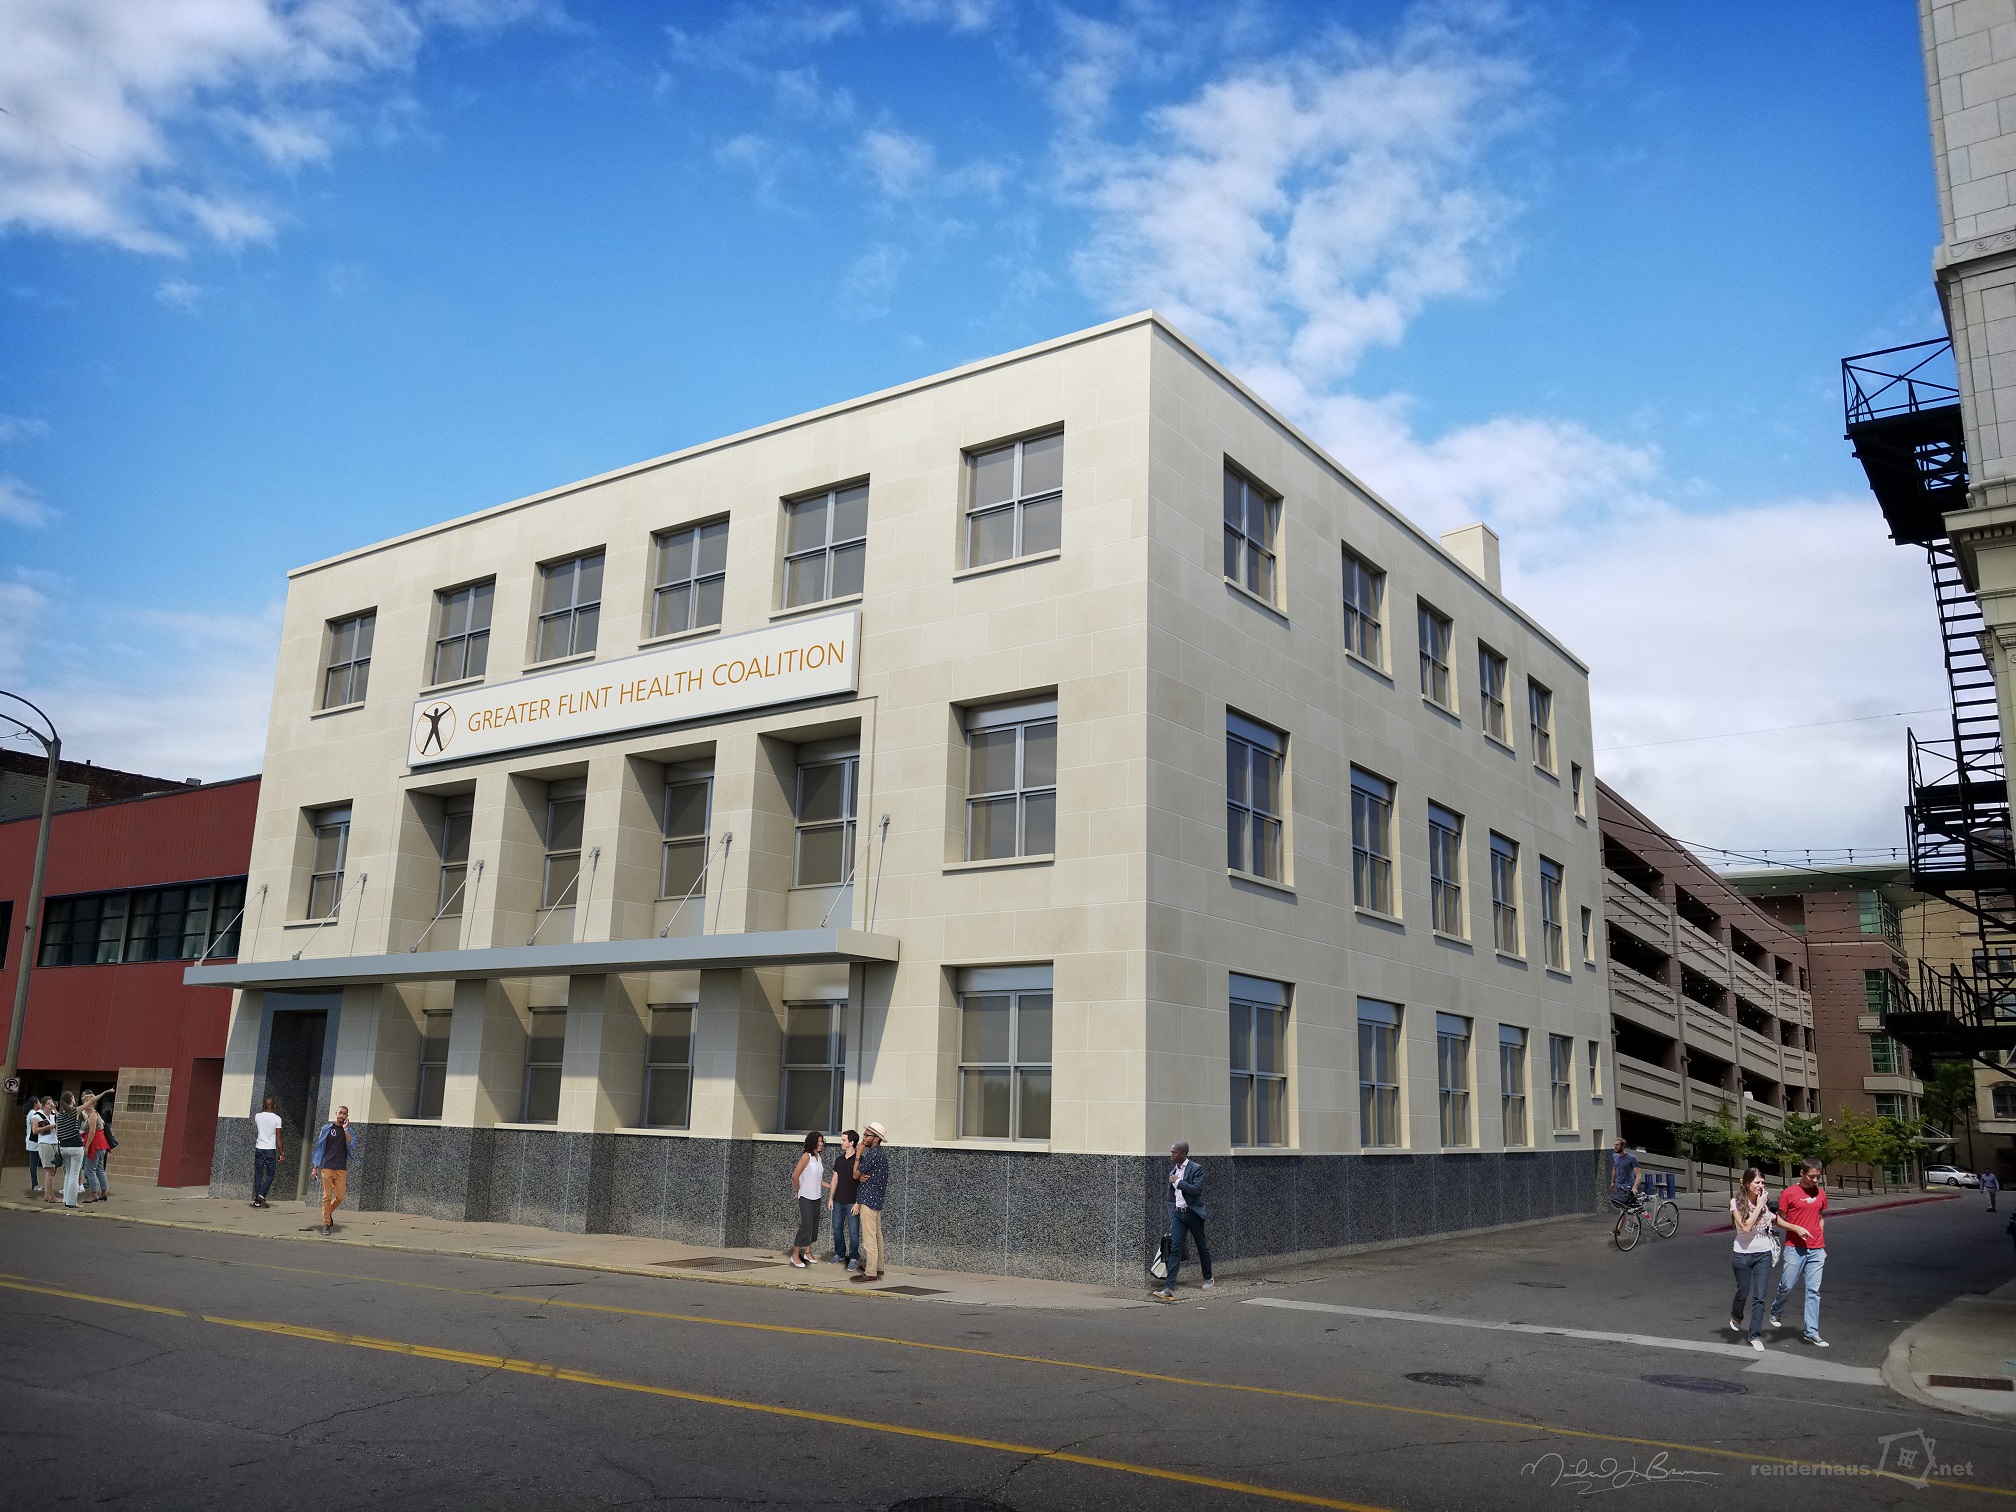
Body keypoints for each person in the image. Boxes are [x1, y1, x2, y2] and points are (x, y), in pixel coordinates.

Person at [1771, 1158, 1830, 1348]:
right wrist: (1796, 1228)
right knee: (1787, 1285)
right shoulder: (1789, 1193)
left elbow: (1820, 1217)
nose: (1815, 1180)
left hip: (1816, 1249)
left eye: (1818, 1176)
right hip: (1795, 1248)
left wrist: (1821, 1243)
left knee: (1813, 1291)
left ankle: (1811, 1332)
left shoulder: (1821, 1193)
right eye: (1811, 1176)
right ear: (1802, 1173)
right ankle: (1776, 1310)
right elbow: (1778, 1220)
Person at [1727, 1167, 1782, 1351]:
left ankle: (1755, 1335)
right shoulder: (1735, 1203)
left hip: (1763, 1254)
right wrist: (1759, 1206)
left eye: (1763, 1182)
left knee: (1760, 1297)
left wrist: (1797, 1228)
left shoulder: (1764, 1203)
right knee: (1743, 1292)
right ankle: (1736, 1315)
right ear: (1747, 1183)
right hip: (1742, 1254)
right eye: (1757, 1182)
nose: (1761, 1186)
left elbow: (1775, 1220)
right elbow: (1745, 1227)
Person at [1153, 1140, 1214, 1301]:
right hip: (1178, 1215)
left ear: (1183, 1153)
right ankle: (1168, 1288)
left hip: (1193, 1214)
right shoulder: (1173, 1171)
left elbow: (1197, 1190)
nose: (1171, 1155)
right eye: (1171, 1152)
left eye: (1174, 1152)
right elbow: (1171, 1196)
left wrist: (1178, 1182)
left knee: (1202, 1247)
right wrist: (1173, 1214)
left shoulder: (1196, 1169)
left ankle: (1208, 1279)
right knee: (1175, 1250)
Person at [848, 1121, 890, 1283]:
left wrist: (858, 1153)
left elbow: (855, 1174)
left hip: (868, 1200)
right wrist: (862, 1177)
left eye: (867, 1135)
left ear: (876, 1138)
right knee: (877, 1236)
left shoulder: (873, 1154)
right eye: (864, 1135)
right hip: (876, 1200)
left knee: (869, 1239)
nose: (864, 1138)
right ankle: (878, 1267)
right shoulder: (880, 1154)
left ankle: (871, 1272)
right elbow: (862, 1176)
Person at [309, 1106, 356, 1236]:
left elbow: (352, 1144)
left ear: (347, 1116)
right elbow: (320, 1148)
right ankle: (326, 1224)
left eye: (344, 1114)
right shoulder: (327, 1129)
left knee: (340, 1197)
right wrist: (315, 1167)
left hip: (341, 1167)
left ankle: (327, 1213)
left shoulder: (349, 1131)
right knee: (327, 1196)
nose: (342, 1115)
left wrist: (345, 1129)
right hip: (327, 1166)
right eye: (340, 1113)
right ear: (336, 1113)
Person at [788, 1131, 825, 1269]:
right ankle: (795, 1254)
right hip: (805, 1196)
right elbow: (795, 1176)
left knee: (814, 1225)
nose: (821, 1144)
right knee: (807, 1224)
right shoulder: (806, 1156)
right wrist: (797, 1191)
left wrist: (831, 1185)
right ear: (812, 1142)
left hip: (817, 1195)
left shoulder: (818, 1157)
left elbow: (818, 1179)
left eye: (822, 1141)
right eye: (818, 1141)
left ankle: (808, 1252)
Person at [828, 1129, 862, 1270]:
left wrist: (858, 1203)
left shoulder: (860, 1160)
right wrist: (830, 1198)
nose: (841, 1142)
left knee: (853, 1232)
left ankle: (854, 1257)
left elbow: (863, 1184)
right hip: (838, 1201)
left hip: (852, 1203)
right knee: (837, 1230)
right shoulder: (839, 1160)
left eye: (843, 1140)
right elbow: (834, 1179)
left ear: (851, 1142)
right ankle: (840, 1254)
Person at [52, 1091, 87, 1209]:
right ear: (72, 1099)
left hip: (64, 1147)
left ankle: (66, 1199)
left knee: (68, 1174)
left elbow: (58, 1133)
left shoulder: (60, 1115)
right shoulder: (74, 1111)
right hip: (76, 1146)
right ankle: (72, 1202)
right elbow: (91, 1102)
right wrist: (105, 1092)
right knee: (74, 1175)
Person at [252, 1096, 284, 1208]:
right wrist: (281, 1153)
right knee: (270, 1174)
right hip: (270, 1149)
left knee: (258, 1174)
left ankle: (257, 1201)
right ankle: (261, 1194)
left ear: (264, 1105)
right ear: (274, 1105)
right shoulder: (277, 1119)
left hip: (259, 1147)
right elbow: (279, 1138)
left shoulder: (257, 1116)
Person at [1609, 1137, 1643, 1211]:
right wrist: (1612, 1181)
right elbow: (1614, 1168)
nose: (1615, 1147)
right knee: (1622, 1208)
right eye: (1614, 1145)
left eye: (1617, 1145)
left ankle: (1641, 1217)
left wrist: (1635, 1187)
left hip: (1629, 1186)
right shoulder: (1614, 1156)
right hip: (1619, 1186)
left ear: (1623, 1146)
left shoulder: (1632, 1158)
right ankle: (1624, 1218)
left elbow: (1638, 1174)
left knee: (1632, 1209)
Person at [25, 1096, 49, 1197]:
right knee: (34, 1163)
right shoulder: (33, 1114)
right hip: (33, 1141)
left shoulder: (34, 1112)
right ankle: (34, 1185)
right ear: (35, 1103)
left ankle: (36, 1184)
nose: (40, 1104)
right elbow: (38, 1126)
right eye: (39, 1102)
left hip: (35, 1141)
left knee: (35, 1163)